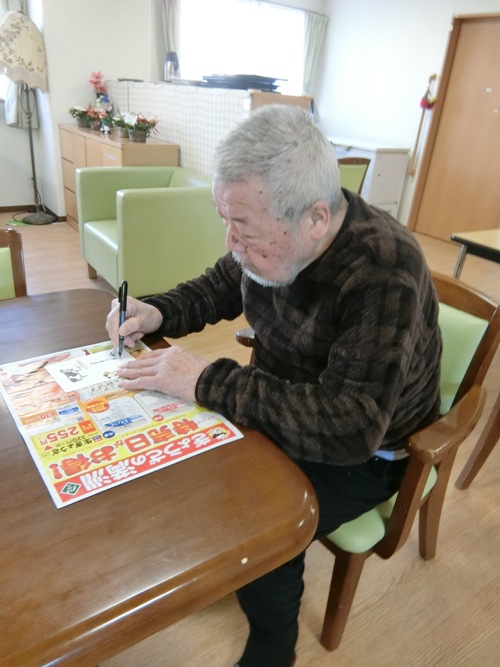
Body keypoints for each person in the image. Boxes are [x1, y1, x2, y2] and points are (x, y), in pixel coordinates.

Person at [106, 104, 442, 667]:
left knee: (257, 516)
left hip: (370, 451)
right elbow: (221, 284)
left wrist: (207, 380)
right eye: (225, 220)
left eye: (243, 227)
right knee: (174, 457)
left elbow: (352, 427)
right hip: (281, 401)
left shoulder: (384, 269)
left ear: (315, 219)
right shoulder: (274, 235)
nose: (231, 240)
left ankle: (273, 645)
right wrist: (156, 311)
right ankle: (232, 561)